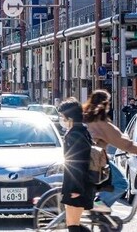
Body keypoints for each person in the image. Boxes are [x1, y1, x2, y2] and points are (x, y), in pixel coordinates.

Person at [83, 90, 137, 212]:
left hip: (85, 158)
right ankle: (98, 206)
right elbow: (121, 141)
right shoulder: (101, 122)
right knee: (121, 184)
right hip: (96, 160)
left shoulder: (87, 117)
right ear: (104, 103)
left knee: (106, 185)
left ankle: (99, 213)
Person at [58, 97, 95, 232]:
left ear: (70, 117)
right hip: (79, 185)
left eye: (62, 116)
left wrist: (76, 189)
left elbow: (78, 163)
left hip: (77, 187)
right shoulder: (82, 131)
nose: (61, 120)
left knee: (73, 225)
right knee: (73, 224)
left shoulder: (75, 134)